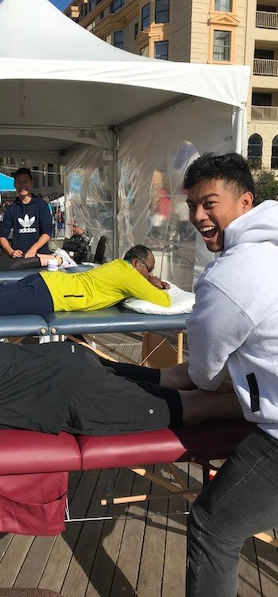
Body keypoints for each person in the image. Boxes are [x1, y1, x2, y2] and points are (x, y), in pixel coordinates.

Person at [0, 293, 242, 453]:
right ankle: (250, 386)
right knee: (171, 377)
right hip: (67, 361)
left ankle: (262, 407)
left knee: (194, 406)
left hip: (70, 395)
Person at [175, 152, 278, 597]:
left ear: (244, 202)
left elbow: (202, 373)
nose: (198, 216)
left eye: (210, 203)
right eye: (192, 206)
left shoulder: (228, 277)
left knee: (212, 525)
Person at [0, 245, 170, 318]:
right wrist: (152, 281)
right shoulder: (131, 275)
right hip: (51, 295)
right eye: (148, 268)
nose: (149, 273)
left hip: (45, 280)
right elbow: (164, 301)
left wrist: (148, 277)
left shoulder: (117, 264)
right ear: (135, 262)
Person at [0, 168, 53, 257]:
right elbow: (2, 235)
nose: (22, 185)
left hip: (40, 256)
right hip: (19, 258)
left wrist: (33, 249)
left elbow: (47, 232)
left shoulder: (41, 205)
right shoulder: (11, 208)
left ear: (32, 183)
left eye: (26, 181)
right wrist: (10, 251)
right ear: (15, 185)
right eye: (19, 182)